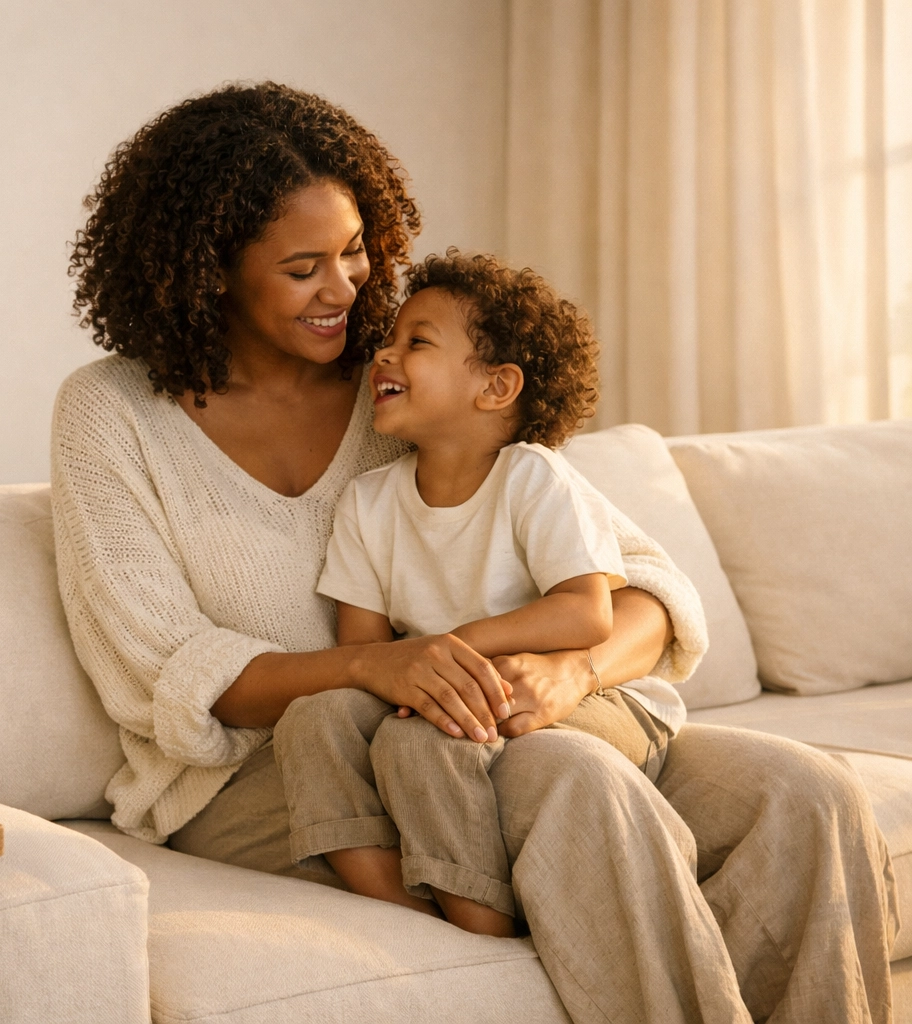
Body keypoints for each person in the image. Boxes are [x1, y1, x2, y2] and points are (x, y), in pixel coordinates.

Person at [53, 81, 897, 1023]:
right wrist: (380, 665)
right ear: (209, 269)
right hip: (270, 769)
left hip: (487, 723)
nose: (348, 290)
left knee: (805, 791)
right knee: (573, 785)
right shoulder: (115, 413)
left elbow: (642, 583)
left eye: (356, 251)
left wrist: (573, 675)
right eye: (304, 269)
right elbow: (161, 664)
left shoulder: (405, 378)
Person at [291, 250, 681, 940]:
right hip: (458, 688)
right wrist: (421, 672)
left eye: (417, 341)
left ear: (496, 387)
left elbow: (586, 612)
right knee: (314, 718)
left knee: (423, 742)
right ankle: (403, 912)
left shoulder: (534, 478)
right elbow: (363, 651)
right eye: (389, 339)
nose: (384, 354)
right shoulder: (368, 500)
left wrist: (451, 650)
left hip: (596, 698)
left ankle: (484, 927)